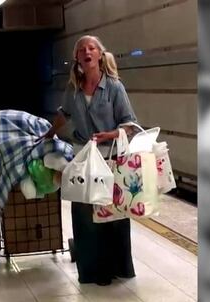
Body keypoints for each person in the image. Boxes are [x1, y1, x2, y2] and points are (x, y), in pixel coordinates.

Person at [44, 35, 138, 286]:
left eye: (92, 48)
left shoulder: (115, 87)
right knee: (85, 216)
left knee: (111, 214)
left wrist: (109, 134)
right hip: (82, 158)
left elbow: (130, 124)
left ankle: (115, 268)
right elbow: (64, 114)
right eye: (82, 49)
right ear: (77, 59)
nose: (87, 51)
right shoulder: (73, 88)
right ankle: (91, 271)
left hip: (109, 159)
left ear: (99, 55)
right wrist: (50, 133)